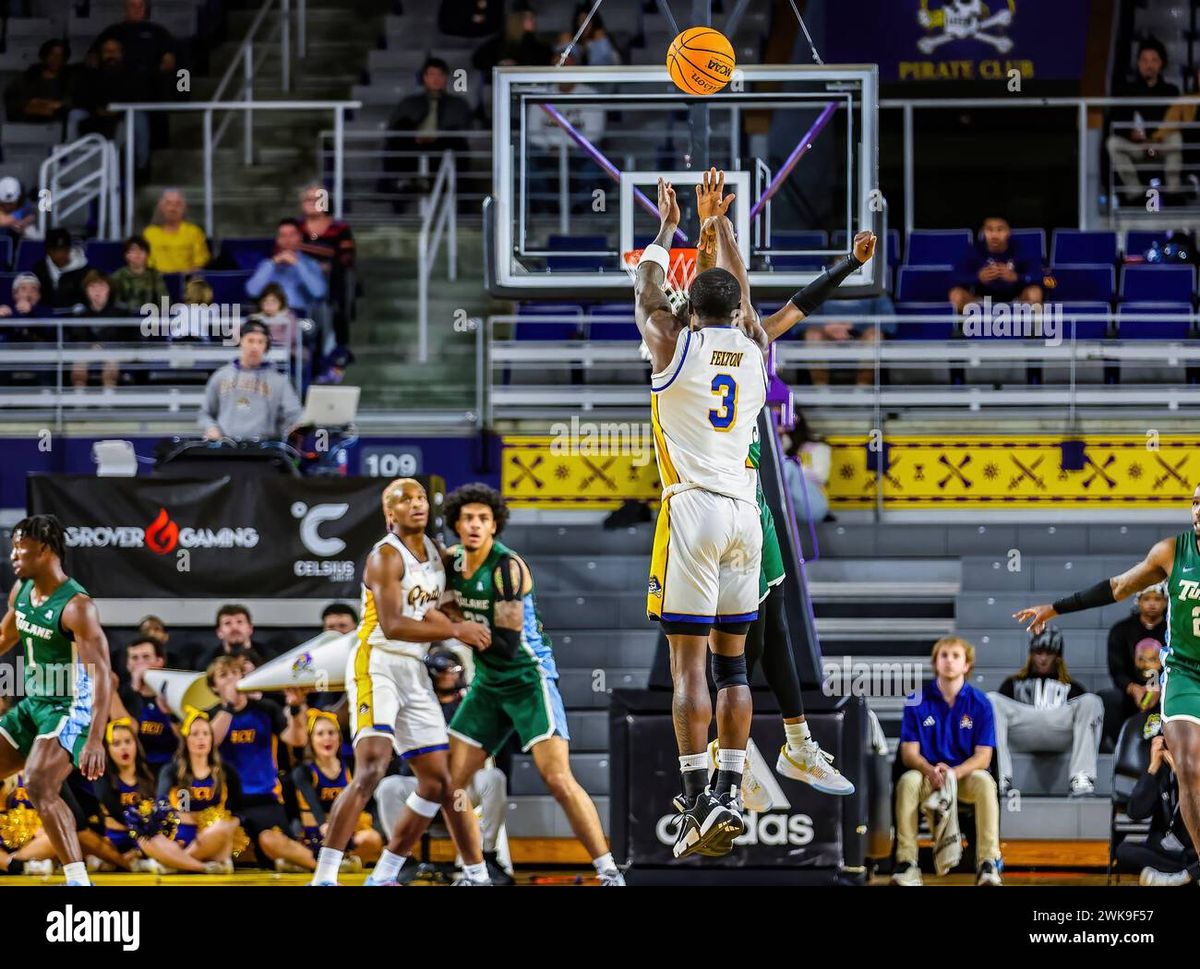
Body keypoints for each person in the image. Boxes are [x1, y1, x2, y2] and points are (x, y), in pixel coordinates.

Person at [635, 171, 874, 857]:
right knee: (732, 665)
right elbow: (742, 297)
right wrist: (721, 232)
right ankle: (731, 788)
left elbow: (648, 291)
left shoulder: (666, 341)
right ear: (737, 308)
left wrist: (668, 231)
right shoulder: (754, 346)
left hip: (692, 509)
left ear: (685, 310)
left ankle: (692, 799)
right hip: (747, 512)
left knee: (688, 668)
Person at [692, 175, 853, 800]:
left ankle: (786, 744)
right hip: (718, 504)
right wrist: (717, 231)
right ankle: (730, 759)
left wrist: (710, 232)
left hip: (729, 502)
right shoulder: (746, 346)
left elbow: (748, 299)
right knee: (733, 642)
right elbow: (765, 302)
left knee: (767, 629)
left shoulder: (677, 348)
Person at [310, 478, 493, 887]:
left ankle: (451, 875)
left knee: (440, 782)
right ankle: (324, 877)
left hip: (414, 668)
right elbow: (392, 625)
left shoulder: (434, 553)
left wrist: (466, 625)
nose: (416, 505)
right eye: (405, 500)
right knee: (372, 766)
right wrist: (456, 632)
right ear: (389, 513)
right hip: (377, 662)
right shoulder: (385, 558)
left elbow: (437, 609)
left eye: (421, 498)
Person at [1015, 484, 1200, 887]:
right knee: (1187, 764)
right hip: (1186, 673)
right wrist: (1055, 607)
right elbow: (1118, 587)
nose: (1198, 510)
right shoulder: (1173, 551)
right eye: (1195, 501)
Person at [440, 483, 623, 883]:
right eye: (467, 518)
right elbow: (444, 605)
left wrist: (457, 626)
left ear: (494, 526)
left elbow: (504, 645)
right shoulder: (450, 562)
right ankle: (475, 870)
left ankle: (608, 871)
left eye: (483, 519)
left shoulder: (508, 568)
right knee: (450, 784)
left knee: (557, 779)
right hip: (487, 685)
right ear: (456, 523)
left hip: (527, 679)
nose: (474, 525)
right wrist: (454, 620)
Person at [0, 514, 114, 886]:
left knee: (37, 783)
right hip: (35, 702)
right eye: (13, 546)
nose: (13, 553)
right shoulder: (22, 591)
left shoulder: (77, 606)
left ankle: (79, 881)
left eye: (21, 546)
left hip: (70, 705)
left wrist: (95, 738)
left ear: (45, 548)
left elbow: (103, 676)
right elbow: (5, 638)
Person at [375, 645, 513, 885]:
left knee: (494, 778)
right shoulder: (417, 704)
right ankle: (404, 860)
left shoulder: (469, 704)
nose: (449, 674)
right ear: (429, 672)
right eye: (441, 669)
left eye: (454, 668)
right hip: (423, 785)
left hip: (462, 788)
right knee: (388, 786)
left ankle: (488, 855)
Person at [893, 637, 1001, 886]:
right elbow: (908, 753)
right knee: (907, 782)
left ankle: (988, 862)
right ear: (935, 662)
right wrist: (930, 770)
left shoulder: (981, 703)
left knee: (985, 783)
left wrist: (954, 773)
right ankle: (907, 863)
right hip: (927, 775)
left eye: (955, 656)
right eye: (944, 655)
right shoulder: (916, 699)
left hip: (963, 777)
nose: (949, 660)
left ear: (966, 665)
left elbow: (984, 757)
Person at [208, 655, 315, 872]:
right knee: (235, 855)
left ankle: (320, 867)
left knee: (272, 844)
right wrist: (228, 707)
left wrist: (295, 709)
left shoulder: (265, 709)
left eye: (235, 673)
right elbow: (210, 742)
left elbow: (298, 740)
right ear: (213, 686)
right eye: (223, 675)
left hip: (266, 797)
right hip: (227, 802)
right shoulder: (212, 714)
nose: (231, 680)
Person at [94, 718, 232, 874]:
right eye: (116, 744)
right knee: (145, 834)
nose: (124, 748)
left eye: (128, 741)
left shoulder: (151, 774)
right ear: (108, 749)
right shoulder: (102, 778)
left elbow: (162, 807)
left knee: (152, 836)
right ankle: (196, 865)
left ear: (136, 745)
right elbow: (118, 812)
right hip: (115, 839)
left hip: (147, 840)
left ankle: (176, 861)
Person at [986, 625, 1104, 797]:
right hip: (1022, 732)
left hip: (1060, 732)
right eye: (1038, 652)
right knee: (991, 699)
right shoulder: (1012, 684)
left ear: (1058, 656)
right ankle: (1001, 777)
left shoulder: (1073, 687)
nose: (1042, 659)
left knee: (1092, 701)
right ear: (1031, 654)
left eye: (1048, 653)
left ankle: (1082, 778)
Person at [291, 709, 382, 868]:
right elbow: (314, 806)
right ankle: (335, 864)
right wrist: (325, 826)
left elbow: (368, 800)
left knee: (372, 838)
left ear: (339, 737)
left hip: (347, 836)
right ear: (311, 739)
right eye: (320, 734)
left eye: (331, 732)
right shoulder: (303, 772)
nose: (327, 738)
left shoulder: (352, 767)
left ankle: (326, 864)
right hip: (314, 836)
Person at [156, 710, 242, 870]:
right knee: (145, 835)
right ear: (186, 739)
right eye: (195, 734)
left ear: (211, 738)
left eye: (205, 733)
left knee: (224, 827)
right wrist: (180, 817)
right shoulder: (171, 770)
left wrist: (229, 824)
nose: (201, 738)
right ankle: (192, 862)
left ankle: (177, 863)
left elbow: (238, 808)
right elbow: (160, 800)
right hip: (182, 831)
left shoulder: (225, 771)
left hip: (212, 834)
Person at [1119, 715, 1197, 885]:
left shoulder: (1195, 769)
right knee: (1123, 851)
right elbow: (1136, 812)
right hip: (1165, 850)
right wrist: (1152, 768)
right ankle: (1186, 874)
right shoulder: (1159, 770)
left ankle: (1181, 875)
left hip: (1192, 848)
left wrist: (1179, 773)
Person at [383, 57, 474, 200]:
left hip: (443, 144)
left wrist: (438, 136)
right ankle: (400, 184)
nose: (435, 79)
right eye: (431, 75)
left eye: (440, 75)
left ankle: (457, 194)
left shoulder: (458, 104)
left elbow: (463, 129)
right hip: (413, 144)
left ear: (445, 78)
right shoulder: (409, 103)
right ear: (424, 78)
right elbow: (394, 128)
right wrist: (415, 135)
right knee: (401, 131)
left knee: (457, 142)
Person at [198, 320, 304, 443]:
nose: (255, 347)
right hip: (226, 446)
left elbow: (295, 414)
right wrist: (211, 428)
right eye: (250, 340)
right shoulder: (220, 376)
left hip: (263, 448)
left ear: (266, 346)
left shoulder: (279, 381)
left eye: (260, 342)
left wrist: (297, 425)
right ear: (241, 341)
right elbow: (205, 414)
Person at [1107, 37, 1182, 202]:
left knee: (1176, 138)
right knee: (1113, 143)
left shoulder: (1171, 91)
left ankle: (1173, 193)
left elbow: (1176, 122)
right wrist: (1130, 134)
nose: (1149, 65)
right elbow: (1116, 121)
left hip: (1160, 146)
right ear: (1138, 63)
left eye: (1154, 60)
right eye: (1145, 60)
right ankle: (1135, 193)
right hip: (1138, 148)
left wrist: (1157, 138)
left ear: (1161, 63)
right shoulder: (1126, 91)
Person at [1101, 582, 1168, 748]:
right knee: (1107, 701)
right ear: (1138, 601)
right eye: (1147, 599)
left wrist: (1162, 688)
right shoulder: (1121, 630)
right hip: (1132, 696)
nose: (1152, 603)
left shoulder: (1173, 630)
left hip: (1167, 695)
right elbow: (1117, 670)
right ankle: (1121, 745)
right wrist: (1134, 688)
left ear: (1166, 602)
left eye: (1157, 599)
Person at [67, 38, 148, 170]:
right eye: (106, 51)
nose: (110, 55)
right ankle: (74, 164)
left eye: (114, 51)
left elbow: (138, 96)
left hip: (124, 112)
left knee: (140, 118)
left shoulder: (133, 73)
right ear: (101, 54)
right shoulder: (89, 74)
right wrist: (96, 108)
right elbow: (81, 97)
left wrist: (118, 109)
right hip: (96, 113)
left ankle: (140, 166)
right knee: (75, 114)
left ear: (121, 54)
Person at [297, 183, 356, 347]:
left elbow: (347, 257)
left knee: (336, 291)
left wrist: (326, 265)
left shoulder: (340, 228)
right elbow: (282, 250)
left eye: (316, 199)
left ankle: (336, 350)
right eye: (307, 199)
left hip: (333, 278)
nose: (311, 202)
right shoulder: (295, 227)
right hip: (300, 279)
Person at [948, 216, 1042, 315]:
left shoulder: (1021, 250)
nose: (994, 235)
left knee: (1035, 293)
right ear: (983, 231)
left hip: (1016, 300)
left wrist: (1016, 277)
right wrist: (978, 278)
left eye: (1000, 230)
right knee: (956, 295)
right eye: (989, 229)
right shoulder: (973, 250)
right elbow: (954, 277)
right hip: (979, 301)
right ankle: (962, 328)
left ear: (1008, 232)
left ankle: (1032, 329)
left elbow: (1041, 277)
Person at [799, 294, 896, 386]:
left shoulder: (875, 286)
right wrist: (826, 328)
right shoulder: (819, 286)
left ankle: (861, 393)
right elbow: (801, 319)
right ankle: (821, 395)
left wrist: (855, 328)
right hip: (826, 339)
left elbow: (888, 322)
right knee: (813, 335)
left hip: (861, 338)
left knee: (874, 337)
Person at [117, 636, 180, 770]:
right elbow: (129, 730)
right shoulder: (121, 695)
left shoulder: (175, 693)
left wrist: (171, 713)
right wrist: (135, 689)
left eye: (146, 657)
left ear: (159, 661)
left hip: (171, 766)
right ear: (128, 665)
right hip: (133, 767)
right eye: (134, 658)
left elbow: (184, 738)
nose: (140, 663)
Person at [245, 219, 328, 318]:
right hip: (271, 318)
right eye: (282, 235)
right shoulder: (267, 264)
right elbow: (252, 292)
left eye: (292, 235)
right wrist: (273, 263)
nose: (287, 239)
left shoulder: (310, 264)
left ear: (300, 237)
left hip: (301, 318)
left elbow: (319, 292)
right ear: (277, 240)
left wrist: (297, 264)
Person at [94, 0, 176, 91]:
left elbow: (169, 59)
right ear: (126, 8)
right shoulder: (112, 32)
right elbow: (93, 57)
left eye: (141, 6)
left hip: (152, 84)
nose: (137, 9)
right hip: (118, 83)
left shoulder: (158, 32)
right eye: (133, 6)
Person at [70, 270, 121, 391]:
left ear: (109, 289)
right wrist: (91, 348)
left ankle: (108, 403)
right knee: (78, 368)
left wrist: (105, 349)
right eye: (92, 287)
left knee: (110, 366)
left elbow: (129, 339)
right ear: (86, 291)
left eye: (101, 287)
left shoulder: (121, 314)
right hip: (86, 354)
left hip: (115, 355)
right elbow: (76, 340)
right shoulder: (80, 316)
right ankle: (79, 403)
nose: (97, 292)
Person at [4, 39, 72, 123]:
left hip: (55, 120)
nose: (56, 59)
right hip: (27, 119)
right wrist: (35, 104)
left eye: (60, 56)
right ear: (45, 55)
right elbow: (14, 101)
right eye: (52, 54)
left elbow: (68, 102)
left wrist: (55, 105)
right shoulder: (29, 76)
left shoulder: (68, 78)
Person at [781, 411, 832, 524]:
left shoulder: (817, 447)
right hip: (791, 507)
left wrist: (798, 469)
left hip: (813, 505)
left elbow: (821, 476)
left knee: (788, 466)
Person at [143, 190, 210, 274]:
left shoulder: (194, 232)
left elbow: (200, 262)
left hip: (186, 281)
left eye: (178, 204)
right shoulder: (149, 233)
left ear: (184, 208)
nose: (172, 208)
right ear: (161, 207)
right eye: (168, 204)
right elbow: (145, 264)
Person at [33, 228, 89, 310]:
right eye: (55, 251)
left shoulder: (84, 269)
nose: (60, 255)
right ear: (48, 251)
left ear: (69, 249)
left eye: (64, 250)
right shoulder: (40, 268)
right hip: (47, 317)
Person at [109, 235, 168, 313]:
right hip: (125, 320)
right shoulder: (117, 277)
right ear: (126, 255)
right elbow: (114, 303)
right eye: (133, 250)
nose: (138, 253)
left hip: (151, 319)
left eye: (142, 250)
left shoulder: (155, 276)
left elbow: (165, 303)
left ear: (147, 255)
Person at [248, 283, 299, 356]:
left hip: (284, 351)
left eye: (273, 301)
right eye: (265, 301)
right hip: (259, 351)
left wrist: (269, 340)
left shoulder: (289, 317)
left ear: (281, 302)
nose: (269, 305)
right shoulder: (255, 317)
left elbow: (291, 338)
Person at [0, 177, 36, 245]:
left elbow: (32, 216)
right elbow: (5, 221)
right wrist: (13, 223)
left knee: (31, 232)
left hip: (16, 238)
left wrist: (24, 222)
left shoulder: (25, 204)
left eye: (11, 203)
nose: (8, 206)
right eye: (5, 203)